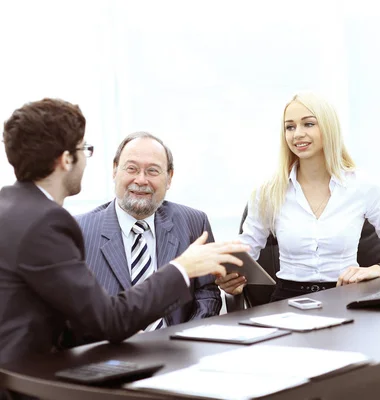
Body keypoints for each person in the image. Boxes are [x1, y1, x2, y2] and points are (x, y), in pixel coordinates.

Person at [0, 98, 249, 367]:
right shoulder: (47, 222)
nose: (86, 158)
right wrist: (181, 268)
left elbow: (69, 313)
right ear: (66, 159)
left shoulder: (10, 207)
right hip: (33, 381)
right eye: (84, 149)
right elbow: (110, 319)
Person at [217, 92, 380, 301]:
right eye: (290, 127)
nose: (297, 134)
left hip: (346, 298)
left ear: (328, 127)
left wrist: (378, 270)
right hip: (288, 302)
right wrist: (232, 280)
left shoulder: (361, 186)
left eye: (308, 124)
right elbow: (243, 257)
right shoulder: (268, 191)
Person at [76, 132, 221, 330]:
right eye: (131, 169)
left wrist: (185, 340)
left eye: (152, 171)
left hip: (179, 349)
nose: (141, 180)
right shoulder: (80, 231)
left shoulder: (194, 222)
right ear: (115, 170)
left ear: (169, 178)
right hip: (110, 352)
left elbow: (207, 294)